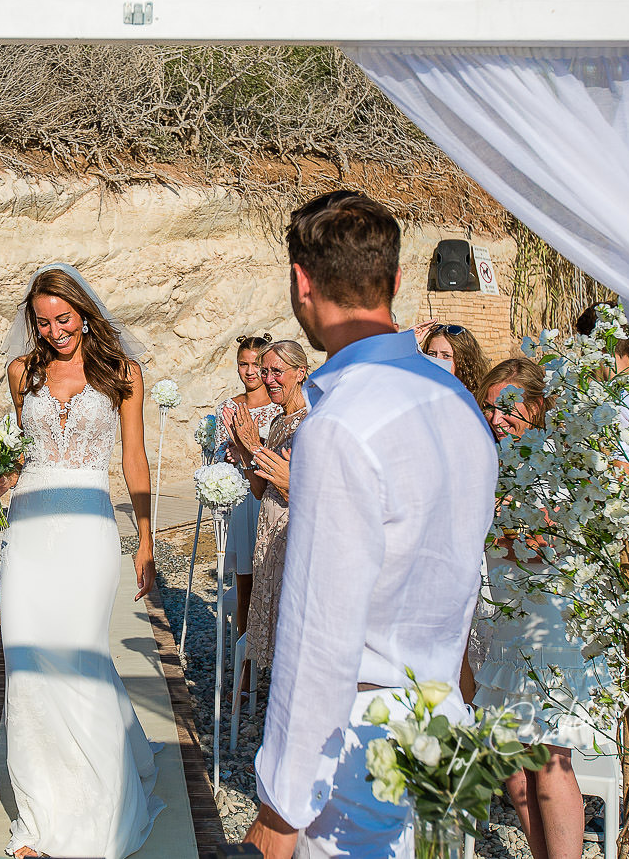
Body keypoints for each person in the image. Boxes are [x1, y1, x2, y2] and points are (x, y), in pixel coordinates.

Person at [242, 192, 498, 859]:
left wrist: (279, 804)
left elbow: (318, 632)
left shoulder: (340, 425)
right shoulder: (461, 407)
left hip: (358, 740)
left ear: (301, 282)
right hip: (443, 725)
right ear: (397, 281)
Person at [0, 262, 164, 859]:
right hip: (29, 529)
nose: (54, 331)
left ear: (84, 314)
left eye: (63, 318)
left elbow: (134, 460)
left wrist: (145, 537)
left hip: (90, 526)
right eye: (42, 323)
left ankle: (100, 805)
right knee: (28, 657)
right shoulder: (21, 373)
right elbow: (15, 456)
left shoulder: (122, 373)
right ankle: (39, 817)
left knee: (82, 655)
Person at [473, 358, 602, 859]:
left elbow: (549, 542)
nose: (496, 417)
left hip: (546, 625)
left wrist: (496, 531)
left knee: (548, 757)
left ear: (536, 406)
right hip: (506, 622)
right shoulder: (496, 459)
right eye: (489, 407)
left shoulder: (552, 459)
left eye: (506, 407)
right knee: (511, 756)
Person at [226, 340, 309, 669]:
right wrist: (246, 448)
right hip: (268, 530)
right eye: (265, 372)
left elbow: (296, 492)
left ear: (300, 373)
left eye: (278, 371)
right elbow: (261, 488)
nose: (269, 379)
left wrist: (252, 444)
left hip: (291, 533)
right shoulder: (278, 422)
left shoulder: (309, 423)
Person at [215, 334, 282, 647]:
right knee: (246, 586)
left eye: (257, 364)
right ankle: (245, 670)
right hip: (243, 503)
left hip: (271, 497)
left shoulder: (279, 409)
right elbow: (216, 457)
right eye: (244, 364)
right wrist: (227, 454)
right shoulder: (228, 407)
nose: (251, 371)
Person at [420, 322, 489, 394]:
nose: (437, 360)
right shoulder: (422, 392)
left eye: (446, 356)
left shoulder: (479, 399)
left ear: (465, 361)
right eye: (432, 354)